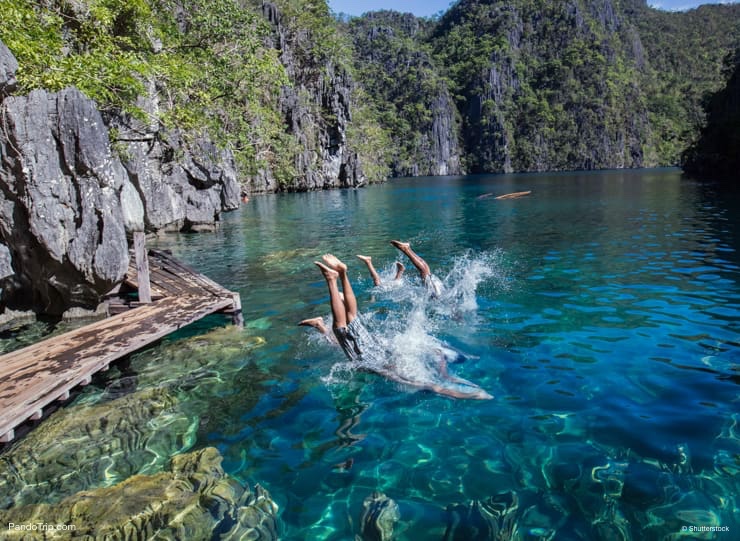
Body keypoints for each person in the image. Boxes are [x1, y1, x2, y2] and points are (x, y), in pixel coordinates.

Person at [313, 254, 492, 400]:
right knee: (343, 325)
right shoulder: (383, 367)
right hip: (367, 351)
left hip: (370, 348)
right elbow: (434, 387)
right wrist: (464, 395)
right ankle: (335, 278)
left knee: (349, 319)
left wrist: (468, 392)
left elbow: (434, 385)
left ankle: (341, 275)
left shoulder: (386, 359)